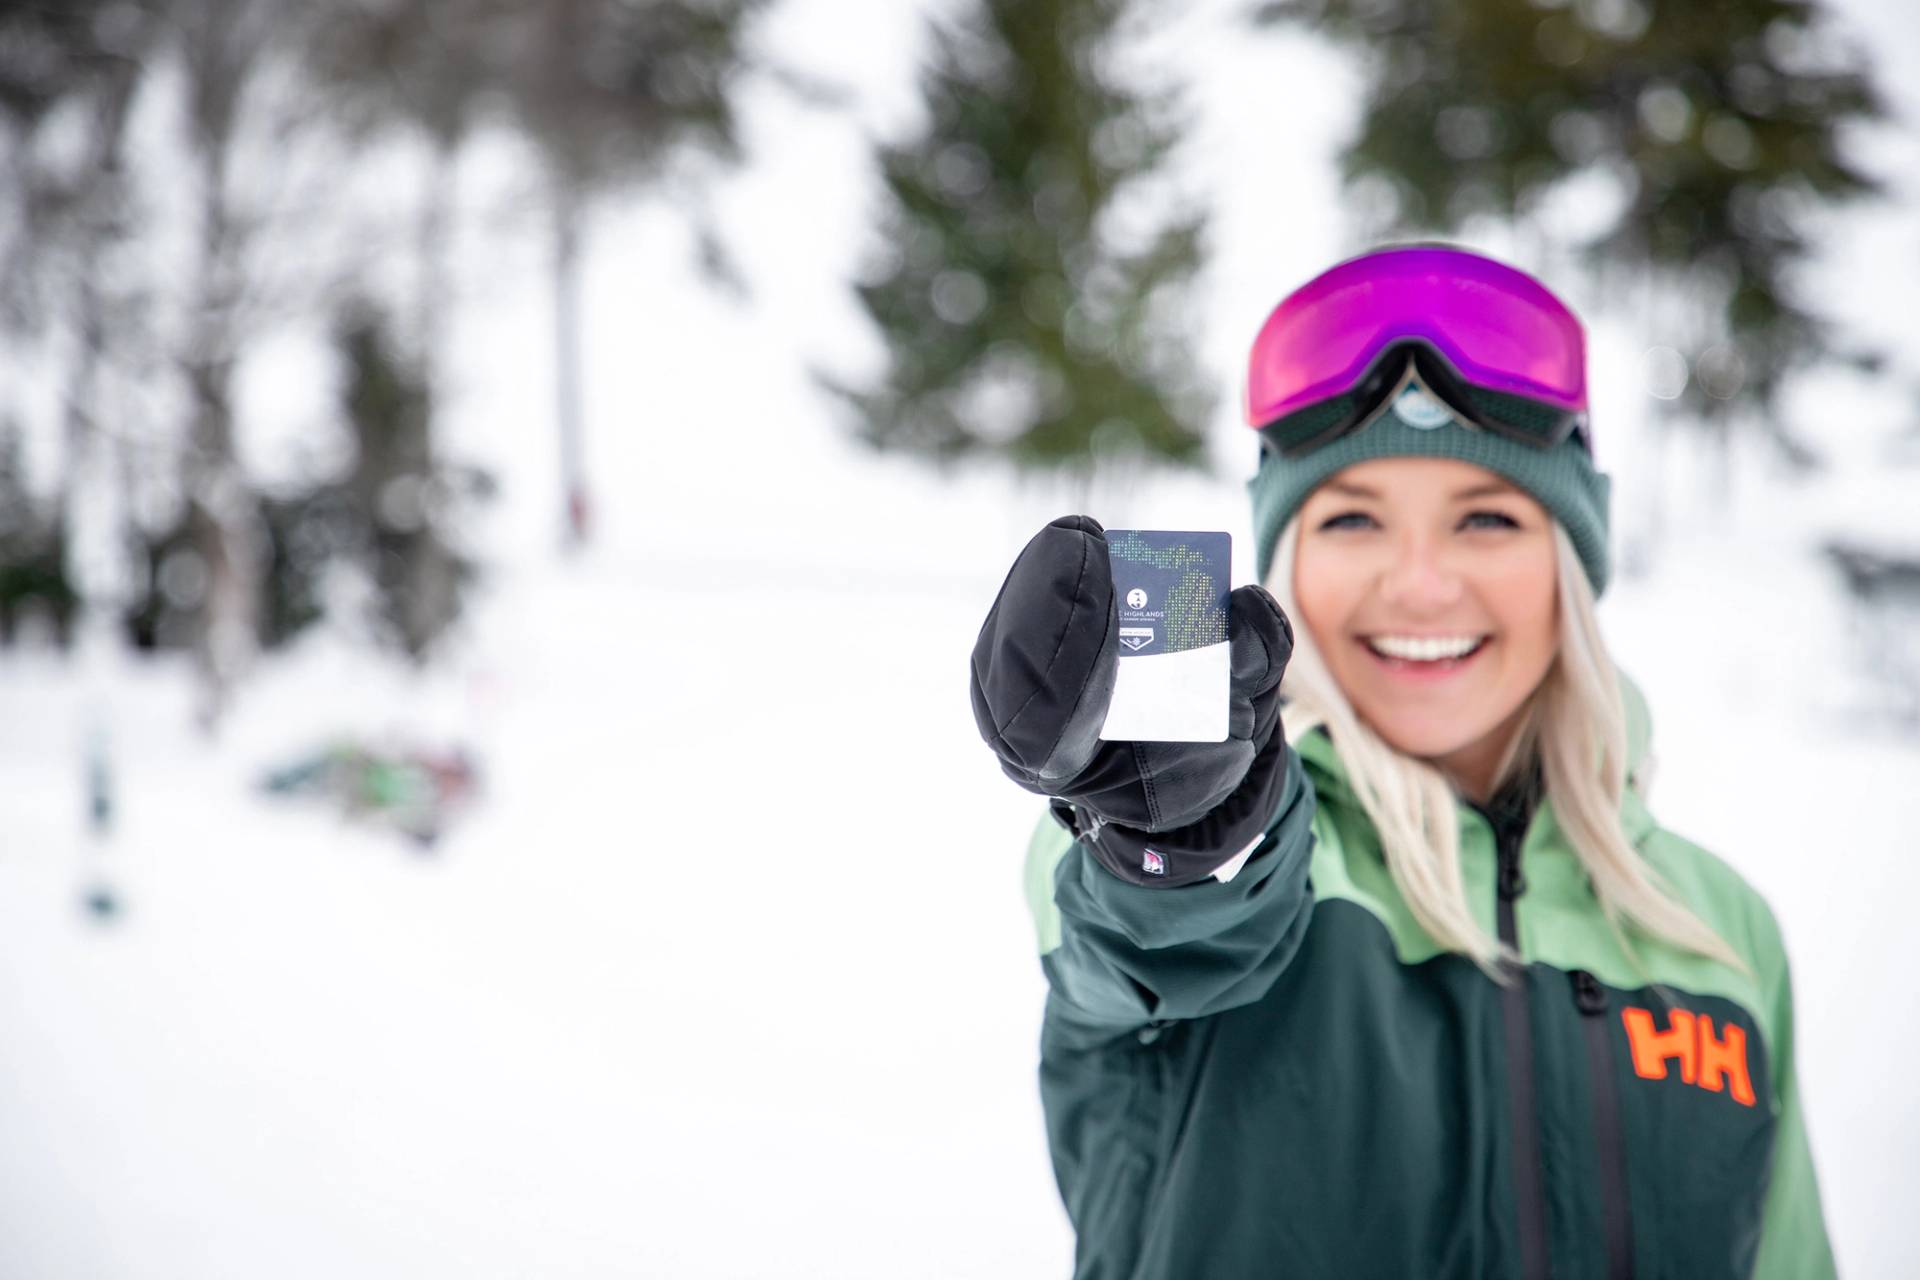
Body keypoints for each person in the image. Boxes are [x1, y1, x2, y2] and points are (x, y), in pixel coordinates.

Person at [969, 243, 1833, 1279]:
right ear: (1286, 563)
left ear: (1569, 564)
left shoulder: (1723, 931)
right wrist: (1178, 835)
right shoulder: (1229, 848)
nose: (1420, 585)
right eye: (1352, 518)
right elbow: (1143, 939)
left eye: (1486, 517)